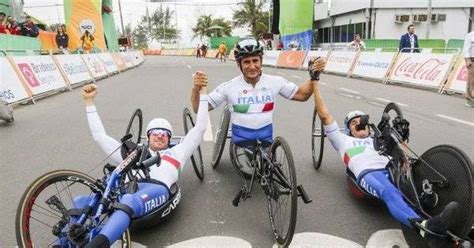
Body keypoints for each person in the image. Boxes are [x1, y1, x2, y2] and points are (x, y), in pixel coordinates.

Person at [310, 57, 460, 246]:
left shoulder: (379, 137)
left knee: (424, 179)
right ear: (348, 130)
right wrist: (315, 81)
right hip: (369, 173)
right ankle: (426, 228)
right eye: (353, 123)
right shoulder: (342, 140)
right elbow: (324, 114)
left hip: (393, 167)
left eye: (361, 120)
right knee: (389, 192)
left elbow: (402, 145)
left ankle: (454, 211)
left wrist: (401, 132)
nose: (359, 124)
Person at [73, 82, 209, 247]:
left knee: (129, 200)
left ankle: (96, 245)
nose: (159, 136)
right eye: (155, 133)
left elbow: (200, 128)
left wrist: (203, 93)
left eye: (164, 133)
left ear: (169, 138)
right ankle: (61, 243)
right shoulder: (132, 153)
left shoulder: (178, 152)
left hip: (156, 189)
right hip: (127, 190)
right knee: (79, 201)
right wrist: (89, 102)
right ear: (148, 136)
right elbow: (100, 137)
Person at [190, 39, 316, 174]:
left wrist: (314, 76)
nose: (252, 66)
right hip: (241, 143)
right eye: (246, 62)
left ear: (261, 62)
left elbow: (302, 95)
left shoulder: (275, 82)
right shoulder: (228, 87)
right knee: (250, 175)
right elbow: (199, 108)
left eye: (255, 61)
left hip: (266, 141)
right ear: (239, 65)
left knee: (267, 172)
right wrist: (195, 89)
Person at [462, 31, 474, 107]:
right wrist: (467, 60)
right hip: (472, 60)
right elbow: (466, 49)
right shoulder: (470, 35)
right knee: (471, 81)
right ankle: (470, 99)